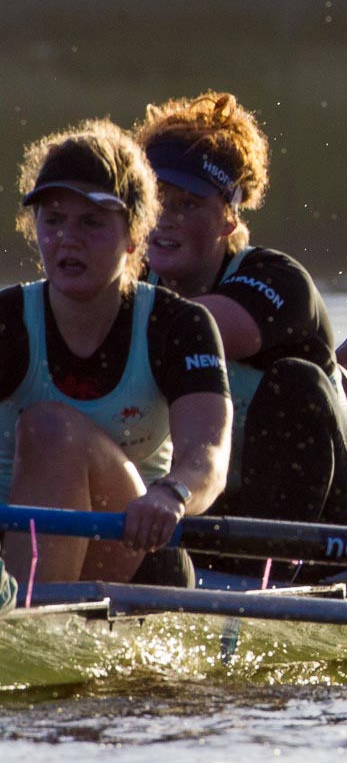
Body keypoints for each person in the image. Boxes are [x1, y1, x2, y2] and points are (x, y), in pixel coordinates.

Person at [134, 93, 347, 564]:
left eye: (187, 204)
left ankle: (263, 582)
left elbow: (196, 332)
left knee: (297, 382)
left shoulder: (277, 282)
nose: (163, 220)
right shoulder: (132, 285)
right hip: (210, 512)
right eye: (155, 200)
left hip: (340, 532)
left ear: (230, 217)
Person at [0, 120, 230, 585]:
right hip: (12, 548)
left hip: (136, 548)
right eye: (54, 220)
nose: (68, 238)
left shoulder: (179, 326)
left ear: (133, 236)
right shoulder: (6, 322)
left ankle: (36, 625)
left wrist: (172, 495)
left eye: (92, 222)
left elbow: (208, 455)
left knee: (51, 429)